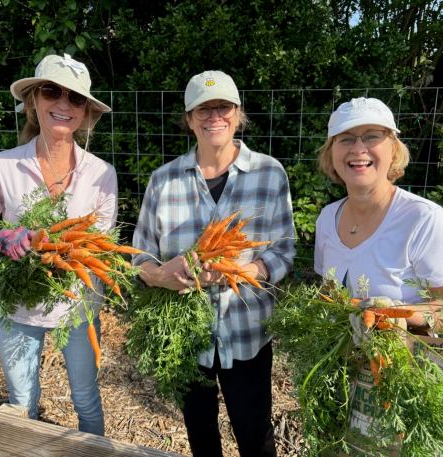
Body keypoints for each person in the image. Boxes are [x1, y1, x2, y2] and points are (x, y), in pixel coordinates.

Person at [0, 54, 117, 435]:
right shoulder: (0, 167)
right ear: (33, 99)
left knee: (86, 398)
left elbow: (102, 247)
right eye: (52, 91)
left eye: (75, 97)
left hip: (78, 306)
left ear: (85, 111)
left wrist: (67, 254)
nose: (64, 104)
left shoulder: (102, 174)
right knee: (22, 404)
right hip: (17, 306)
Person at [131, 70, 295, 457]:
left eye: (223, 107)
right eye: (203, 109)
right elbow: (139, 257)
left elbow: (284, 251)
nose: (214, 117)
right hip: (185, 336)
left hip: (247, 332)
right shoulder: (163, 180)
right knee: (201, 434)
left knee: (255, 435)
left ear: (238, 114)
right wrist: (159, 275)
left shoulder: (269, 173)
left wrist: (244, 272)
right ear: (189, 119)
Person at [315, 97, 443, 335]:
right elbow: (327, 294)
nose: (358, 149)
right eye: (345, 138)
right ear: (331, 152)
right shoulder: (328, 218)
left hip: (402, 356)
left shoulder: (423, 219)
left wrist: (397, 312)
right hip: (336, 358)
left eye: (372, 136)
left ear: (393, 149)